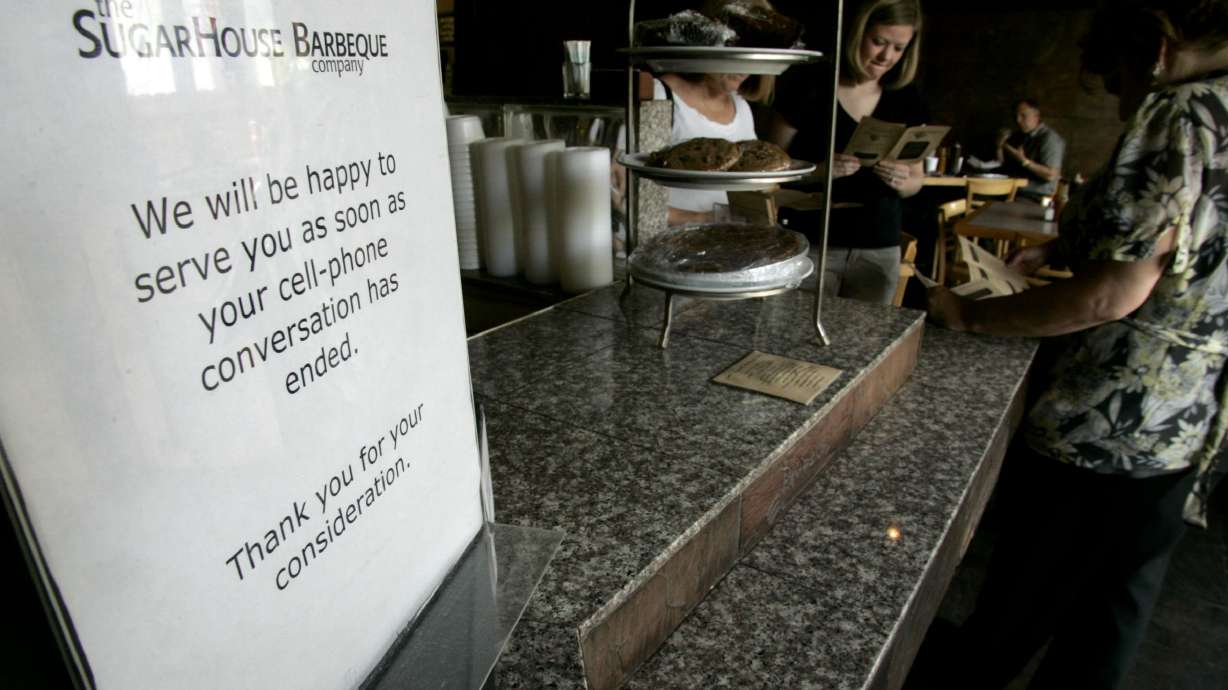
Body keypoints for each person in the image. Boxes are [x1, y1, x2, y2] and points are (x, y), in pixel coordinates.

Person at [924, 1, 1228, 687]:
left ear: (1155, 48)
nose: (1122, 100)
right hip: (1189, 422)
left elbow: (1110, 295)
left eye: (1117, 79)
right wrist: (1068, 242)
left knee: (1013, 617)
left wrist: (970, 318)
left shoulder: (1182, 113)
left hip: (1108, 418)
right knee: (1108, 623)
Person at [769, 0, 927, 304]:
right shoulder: (809, 85)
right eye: (878, 42)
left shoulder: (908, 98)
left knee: (866, 344)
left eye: (898, 48)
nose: (886, 57)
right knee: (795, 340)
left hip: (879, 248)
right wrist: (820, 171)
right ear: (857, 33)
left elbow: (916, 182)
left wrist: (902, 179)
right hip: (810, 243)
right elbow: (769, 168)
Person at [654, 71, 771, 226]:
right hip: (668, 244)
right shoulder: (659, 94)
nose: (745, 71)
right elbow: (623, 197)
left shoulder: (740, 105)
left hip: (725, 243)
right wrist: (705, 219)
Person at [994, 98, 1066, 201]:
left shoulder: (1050, 139)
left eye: (1023, 116)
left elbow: (1051, 175)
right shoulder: (1021, 136)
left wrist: (1024, 161)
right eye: (1016, 116)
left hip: (1034, 196)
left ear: (1036, 116)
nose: (1018, 120)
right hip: (1014, 190)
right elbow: (1003, 167)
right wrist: (999, 147)